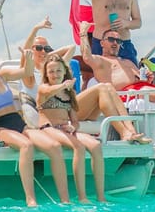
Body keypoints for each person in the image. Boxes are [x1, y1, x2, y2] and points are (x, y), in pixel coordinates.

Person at [0, 44, 69, 207]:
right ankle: (31, 199)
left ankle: (65, 200)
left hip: (18, 122)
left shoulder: (1, 75)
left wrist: (27, 58)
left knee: (54, 146)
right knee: (26, 145)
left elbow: (26, 72)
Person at [23, 17, 148, 142]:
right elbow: (25, 53)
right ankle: (124, 133)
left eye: (47, 49)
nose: (43, 51)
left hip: (69, 110)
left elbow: (71, 47)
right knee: (102, 87)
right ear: (31, 51)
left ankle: (131, 131)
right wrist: (36, 29)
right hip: (58, 115)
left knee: (108, 86)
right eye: (39, 48)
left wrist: (48, 56)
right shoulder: (29, 74)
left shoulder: (54, 68)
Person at [78, 21, 155, 109]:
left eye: (118, 40)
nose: (115, 43)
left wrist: (148, 77)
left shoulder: (127, 62)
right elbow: (86, 56)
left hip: (142, 88)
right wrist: (83, 33)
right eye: (111, 39)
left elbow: (141, 78)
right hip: (127, 94)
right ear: (102, 43)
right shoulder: (100, 61)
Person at [37, 53, 106, 204]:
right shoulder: (43, 88)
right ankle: (82, 197)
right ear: (46, 74)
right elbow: (49, 92)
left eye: (59, 71)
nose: (55, 74)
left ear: (64, 72)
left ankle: (101, 197)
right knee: (79, 147)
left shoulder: (69, 94)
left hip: (64, 128)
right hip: (48, 128)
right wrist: (64, 85)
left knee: (95, 146)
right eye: (51, 71)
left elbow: (75, 121)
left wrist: (71, 126)